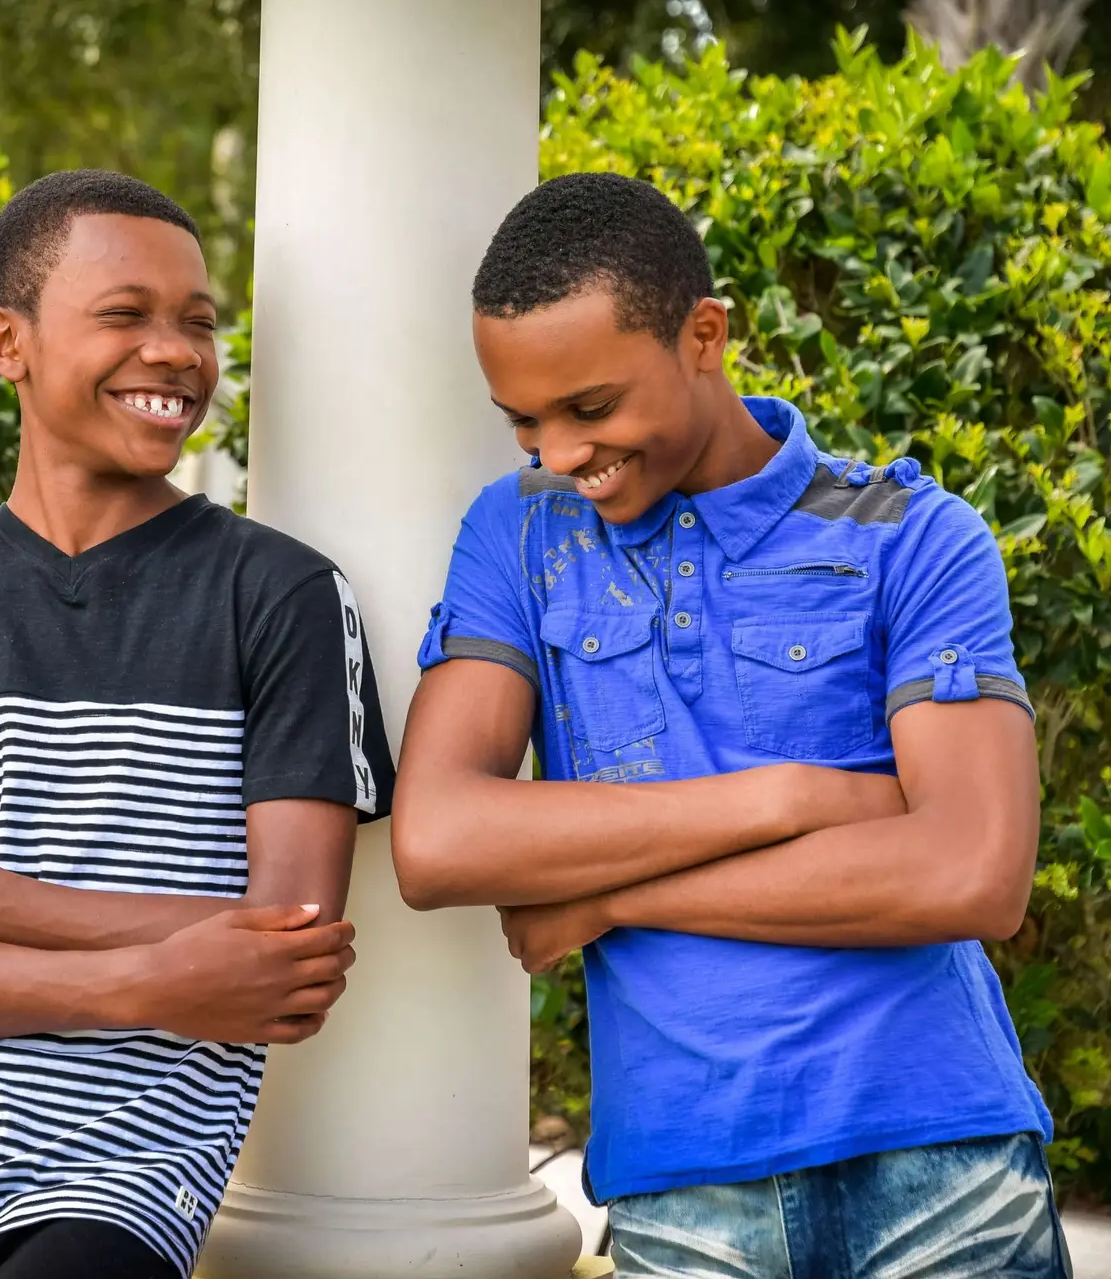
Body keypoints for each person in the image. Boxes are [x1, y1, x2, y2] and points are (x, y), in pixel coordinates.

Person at [392, 172, 1066, 1277]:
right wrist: (790, 796)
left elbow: (971, 876)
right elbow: (439, 839)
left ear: (704, 335)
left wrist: (609, 892)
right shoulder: (521, 534)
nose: (560, 453)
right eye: (526, 421)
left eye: (592, 408)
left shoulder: (913, 533)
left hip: (944, 1165)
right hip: (683, 1186)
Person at [0, 169, 396, 1279]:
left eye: (198, 323)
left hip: (119, 1182)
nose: (176, 352)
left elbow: (284, 957)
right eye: (126, 315)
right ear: (6, 342)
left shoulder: (280, 595)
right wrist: (138, 981)